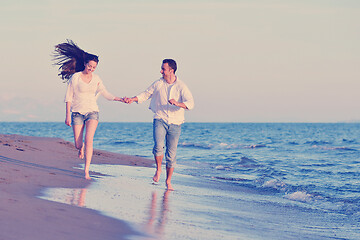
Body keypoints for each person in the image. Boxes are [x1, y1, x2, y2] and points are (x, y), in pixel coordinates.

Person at [53, 39, 124, 180]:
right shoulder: (75, 77)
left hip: (92, 112)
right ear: (85, 64)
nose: (91, 69)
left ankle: (86, 171)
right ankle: (81, 148)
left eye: (94, 67)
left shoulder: (97, 79)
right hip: (77, 113)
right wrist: (67, 115)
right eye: (90, 66)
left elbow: (106, 93)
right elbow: (68, 97)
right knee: (78, 144)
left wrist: (120, 99)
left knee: (89, 139)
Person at [124, 59, 194, 190]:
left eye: (163, 69)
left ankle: (168, 181)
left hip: (176, 123)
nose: (161, 71)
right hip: (160, 119)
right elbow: (146, 94)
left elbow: (190, 103)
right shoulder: (158, 83)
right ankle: (158, 170)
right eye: (161, 69)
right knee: (158, 146)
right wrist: (132, 99)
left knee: (171, 154)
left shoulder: (181, 86)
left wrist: (178, 104)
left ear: (171, 70)